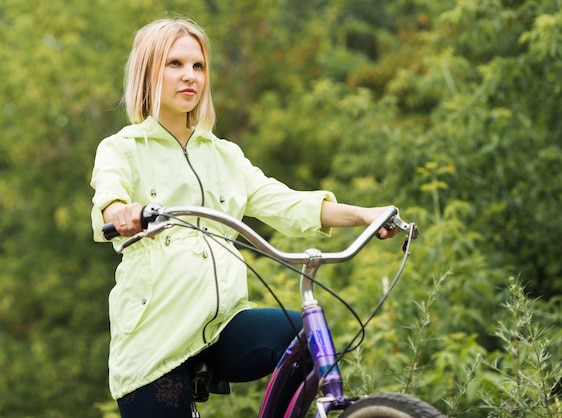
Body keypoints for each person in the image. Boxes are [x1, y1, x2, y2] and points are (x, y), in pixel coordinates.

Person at [90, 17, 399, 418]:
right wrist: (124, 213)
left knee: (302, 336)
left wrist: (365, 215)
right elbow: (108, 204)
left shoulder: (224, 156)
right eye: (175, 64)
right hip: (155, 340)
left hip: (221, 326)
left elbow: (287, 203)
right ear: (149, 72)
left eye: (198, 66)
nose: (191, 77)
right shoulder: (123, 148)